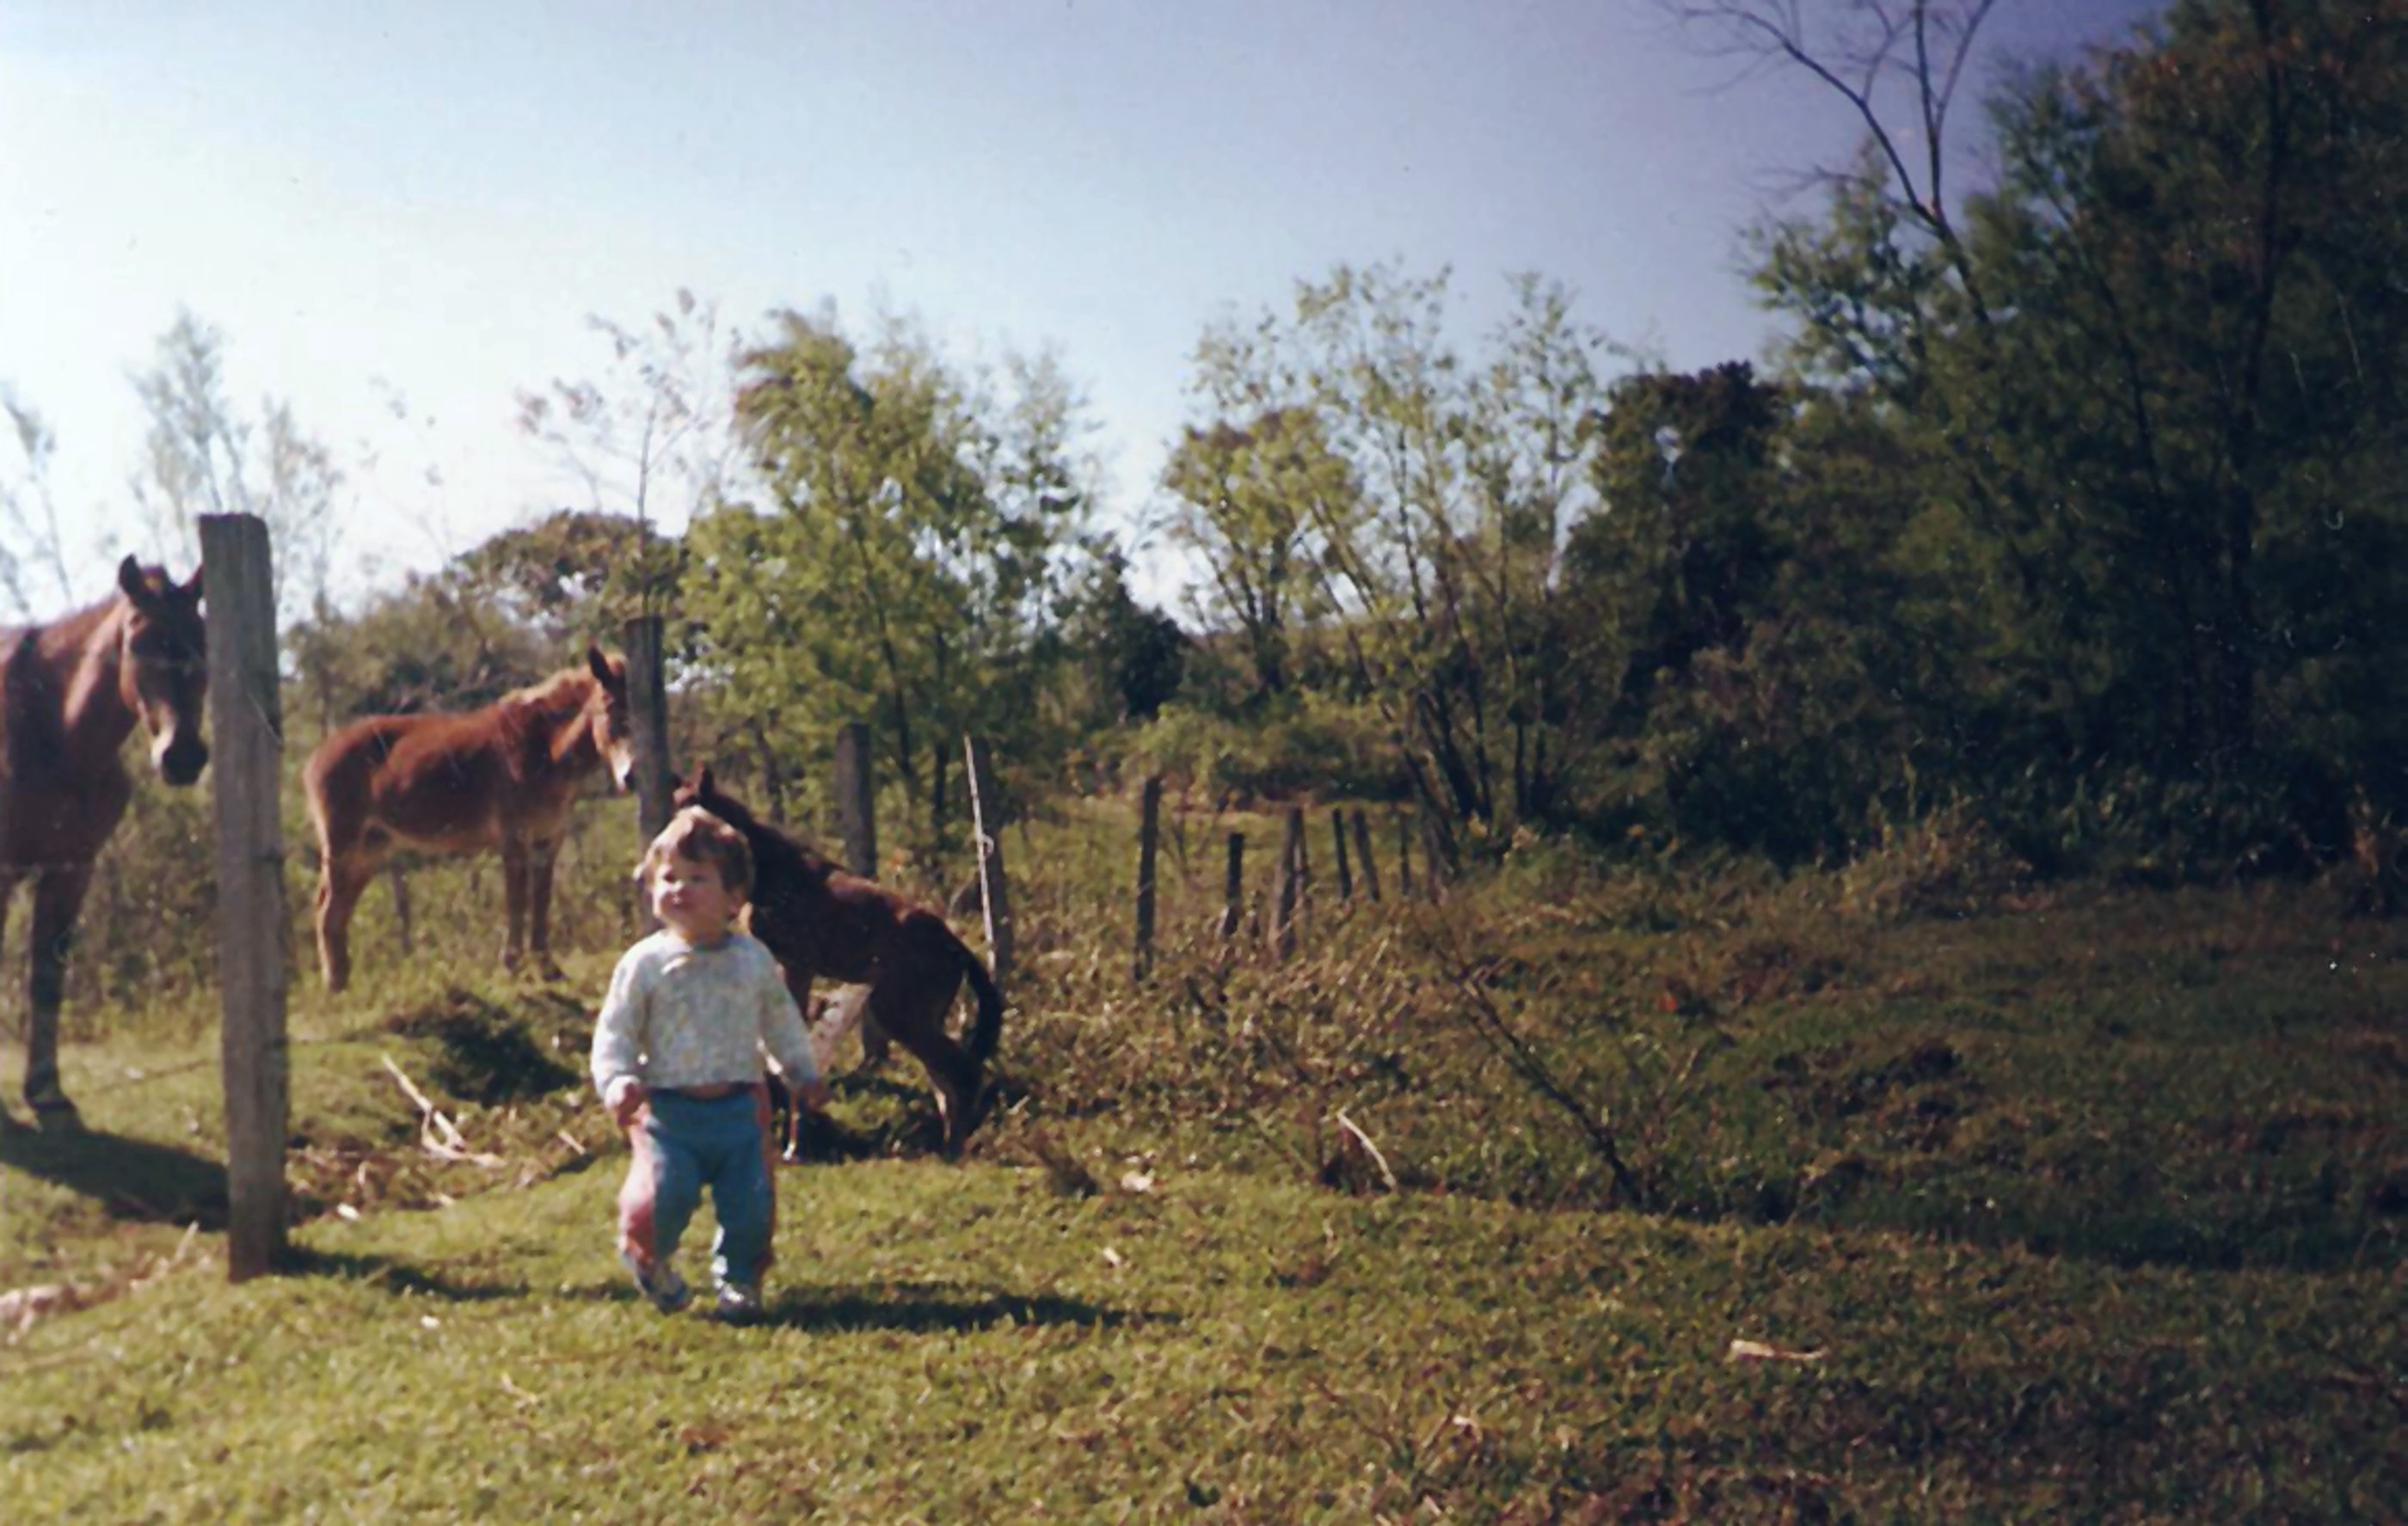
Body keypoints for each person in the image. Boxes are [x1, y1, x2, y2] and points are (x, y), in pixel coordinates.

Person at [591, 805, 831, 1321]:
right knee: (662, 1196)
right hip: (667, 1114)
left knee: (750, 1204)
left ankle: (740, 1280)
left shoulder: (752, 960)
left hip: (741, 1108)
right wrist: (618, 1081)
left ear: (734, 897)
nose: (679, 888)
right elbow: (616, 1031)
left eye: (697, 878)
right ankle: (649, 1260)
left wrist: (800, 1071)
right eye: (668, 877)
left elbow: (780, 1020)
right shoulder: (643, 964)